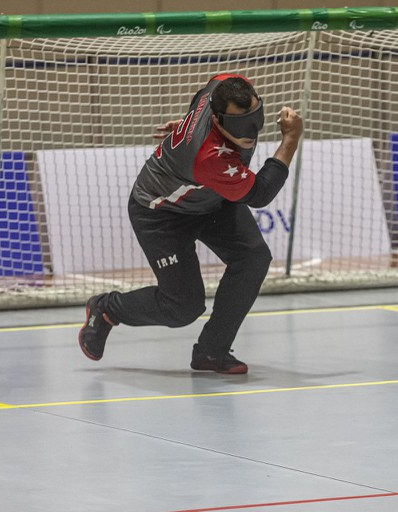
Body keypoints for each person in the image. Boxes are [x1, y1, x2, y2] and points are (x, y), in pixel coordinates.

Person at [79, 73, 303, 373]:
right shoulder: (209, 157)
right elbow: (260, 194)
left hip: (211, 199)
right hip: (161, 212)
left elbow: (199, 95)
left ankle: (212, 352)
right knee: (183, 307)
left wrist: (186, 126)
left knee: (253, 257)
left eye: (256, 116)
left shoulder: (225, 82)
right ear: (219, 119)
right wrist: (290, 139)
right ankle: (106, 308)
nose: (251, 131)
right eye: (239, 124)